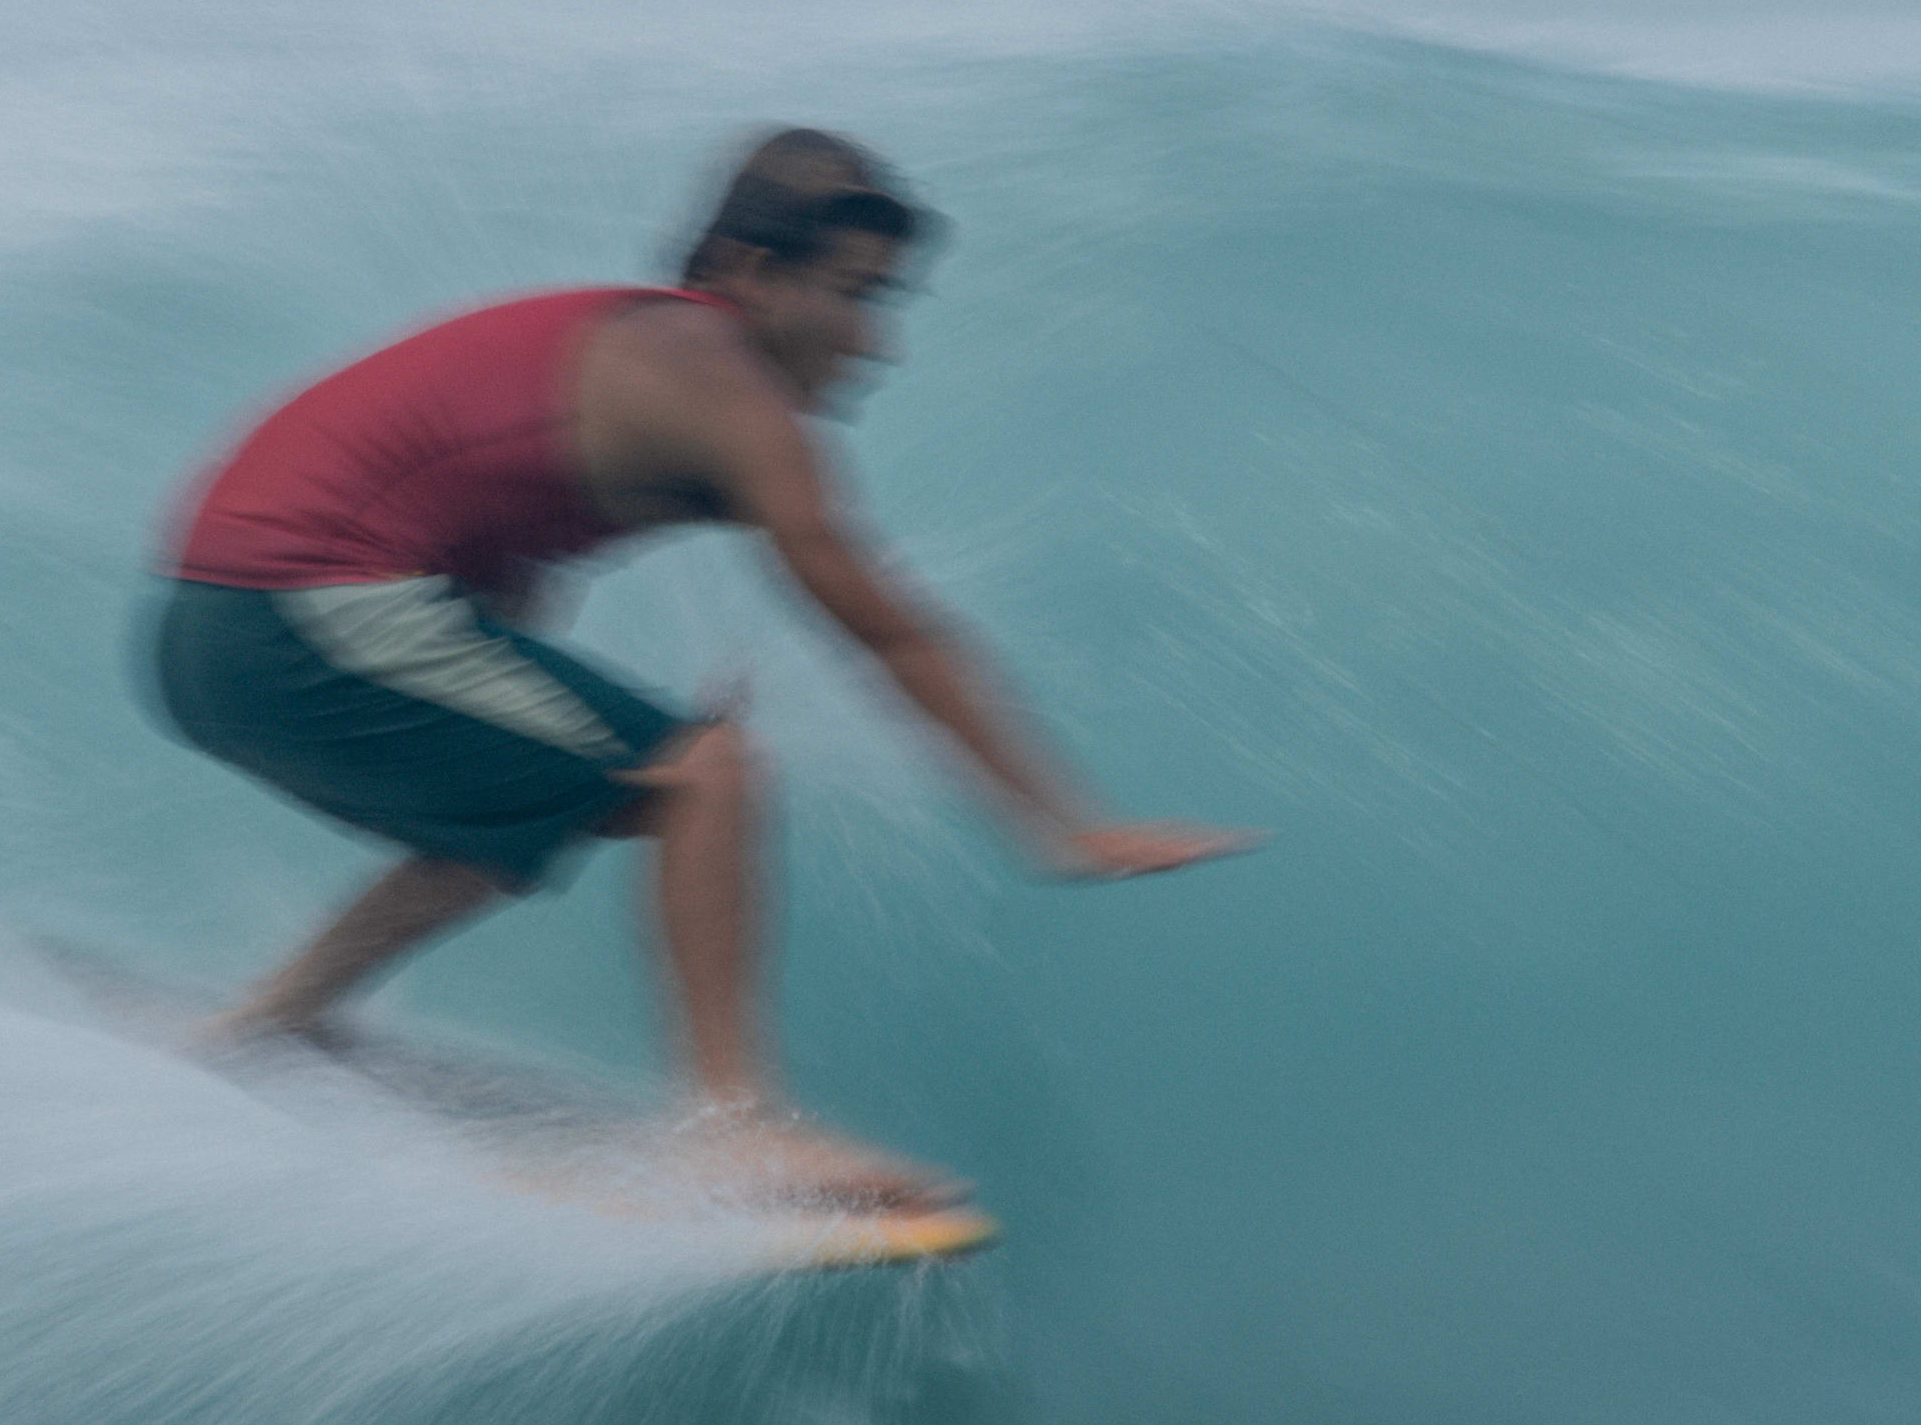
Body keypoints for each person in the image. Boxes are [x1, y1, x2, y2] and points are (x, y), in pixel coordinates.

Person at [144, 130, 1255, 1209]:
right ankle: (730, 1127)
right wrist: (1063, 827)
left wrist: (630, 757)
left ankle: (274, 1019)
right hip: (284, 610)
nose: (879, 342)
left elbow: (491, 562)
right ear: (752, 272)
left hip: (220, 631)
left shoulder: (631, 354)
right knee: (704, 772)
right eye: (857, 295)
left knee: (551, 798)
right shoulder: (719, 374)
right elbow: (894, 629)